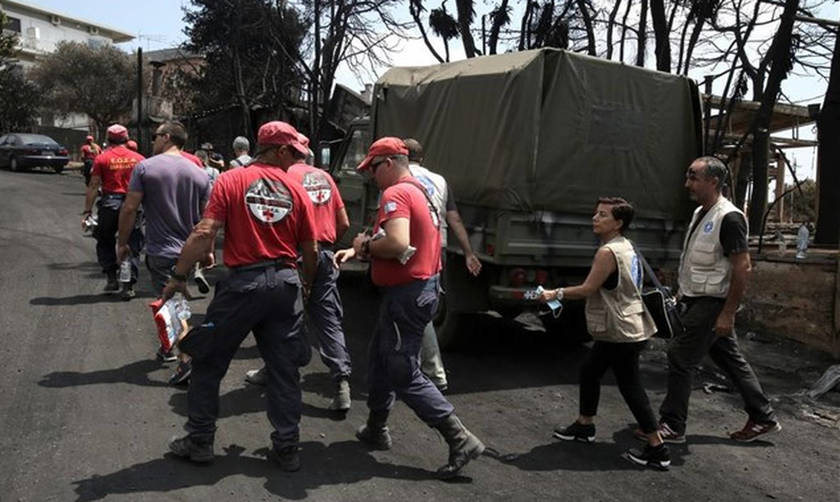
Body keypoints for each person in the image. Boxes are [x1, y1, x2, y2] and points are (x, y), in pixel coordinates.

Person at [162, 121, 317, 471]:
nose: (295, 159)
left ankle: (200, 440)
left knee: (208, 361)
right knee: (284, 369)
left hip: (243, 285)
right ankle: (287, 448)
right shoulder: (297, 190)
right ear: (277, 150)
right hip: (284, 284)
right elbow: (311, 249)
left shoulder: (231, 181)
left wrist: (178, 276)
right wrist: (304, 285)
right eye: (292, 152)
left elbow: (205, 232)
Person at [334, 137, 484, 479]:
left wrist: (366, 247)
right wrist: (357, 250)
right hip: (417, 289)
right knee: (379, 357)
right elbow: (407, 239)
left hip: (408, 294)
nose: (371, 176)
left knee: (402, 369)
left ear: (388, 162)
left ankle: (459, 438)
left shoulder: (397, 193)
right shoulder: (423, 191)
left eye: (372, 168)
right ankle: (376, 426)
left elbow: (398, 242)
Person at [647, 156, 780, 444]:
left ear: (713, 181)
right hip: (695, 299)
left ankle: (672, 426)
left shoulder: (729, 217)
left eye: (694, 177)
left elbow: (742, 267)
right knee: (729, 358)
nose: (687, 184)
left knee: (680, 357)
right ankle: (762, 416)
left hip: (712, 302)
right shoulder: (700, 214)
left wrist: (728, 312)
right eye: (688, 176)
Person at [540, 197, 670, 470]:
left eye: (602, 215)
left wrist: (555, 294)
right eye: (595, 214)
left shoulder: (607, 253)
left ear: (618, 223)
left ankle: (657, 447)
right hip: (629, 324)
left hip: (619, 330)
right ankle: (584, 425)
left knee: (630, 385)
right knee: (590, 371)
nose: (595, 219)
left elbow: (588, 289)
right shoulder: (627, 246)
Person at [245, 133, 353, 411]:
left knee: (279, 319)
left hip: (291, 256)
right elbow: (343, 223)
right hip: (325, 254)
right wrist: (326, 246)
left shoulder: (282, 176)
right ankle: (341, 383)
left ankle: (275, 370)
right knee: (328, 318)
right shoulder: (325, 178)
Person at [117, 121, 211, 384]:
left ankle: (187, 358)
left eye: (156, 136)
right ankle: (168, 347)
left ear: (167, 137)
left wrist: (122, 242)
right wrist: (207, 251)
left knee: (172, 304)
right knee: (173, 300)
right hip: (189, 251)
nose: (153, 140)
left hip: (161, 250)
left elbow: (129, 208)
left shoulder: (146, 167)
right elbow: (208, 219)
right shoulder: (199, 173)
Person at [403, 138, 481, 392]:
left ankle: (429, 372)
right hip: (439, 248)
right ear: (422, 158)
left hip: (409, 248)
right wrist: (469, 252)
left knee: (411, 307)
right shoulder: (440, 180)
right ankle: (417, 367)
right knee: (422, 305)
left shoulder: (398, 178)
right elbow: (454, 218)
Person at [81, 124, 145, 300]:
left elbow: (94, 185)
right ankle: (128, 285)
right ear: (127, 139)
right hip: (133, 205)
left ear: (108, 139)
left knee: (105, 239)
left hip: (110, 204)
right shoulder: (139, 159)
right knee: (132, 242)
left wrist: (87, 210)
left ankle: (111, 277)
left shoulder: (102, 159)